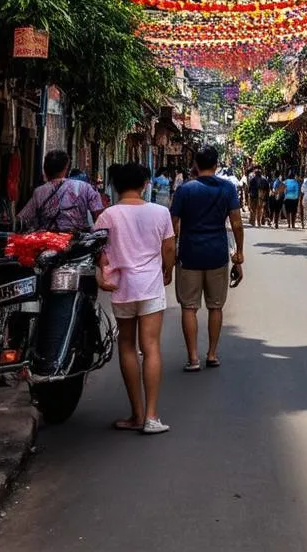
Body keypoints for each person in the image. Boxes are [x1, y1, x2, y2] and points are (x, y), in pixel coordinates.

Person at [96, 162, 175, 435]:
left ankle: (136, 414)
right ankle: (152, 417)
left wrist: (100, 276)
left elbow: (99, 252)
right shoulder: (161, 212)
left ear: (115, 186)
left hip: (122, 288)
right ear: (145, 184)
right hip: (151, 287)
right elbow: (169, 247)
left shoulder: (107, 215)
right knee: (151, 347)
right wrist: (168, 271)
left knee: (127, 346)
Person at [169, 146, 244, 371]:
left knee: (189, 307)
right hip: (217, 253)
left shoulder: (185, 190)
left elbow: (172, 225)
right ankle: (212, 354)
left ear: (195, 164)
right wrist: (239, 254)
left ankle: (193, 358)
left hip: (189, 253)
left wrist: (171, 253)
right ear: (217, 164)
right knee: (216, 306)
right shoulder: (228, 188)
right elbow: (237, 223)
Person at [18, 150, 103, 233]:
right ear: (66, 167)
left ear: (45, 168)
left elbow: (23, 219)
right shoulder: (84, 187)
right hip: (77, 242)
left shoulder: (39, 192)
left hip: (47, 242)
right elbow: (99, 218)